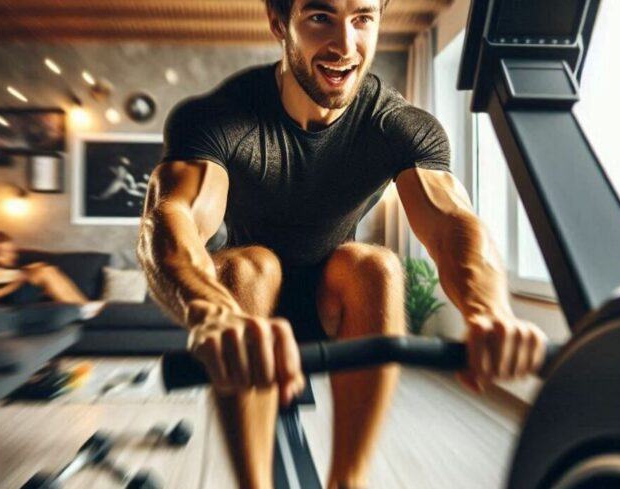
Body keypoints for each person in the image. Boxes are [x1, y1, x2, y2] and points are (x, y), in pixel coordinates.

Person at [137, 1, 548, 488]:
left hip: (336, 302)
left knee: (374, 265)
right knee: (251, 266)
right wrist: (211, 312)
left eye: (362, 18)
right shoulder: (222, 117)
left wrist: (490, 311)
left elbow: (451, 223)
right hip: (247, 308)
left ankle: (347, 482)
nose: (345, 45)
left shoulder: (398, 124)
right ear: (278, 24)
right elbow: (171, 218)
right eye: (319, 18)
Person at [0, 231, 104, 318]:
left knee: (48, 270)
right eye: (5, 252)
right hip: (9, 301)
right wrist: (13, 286)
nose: (12, 255)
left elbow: (11, 277)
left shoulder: (8, 266)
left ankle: (84, 306)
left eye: (12, 251)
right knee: (46, 272)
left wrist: (25, 270)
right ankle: (83, 307)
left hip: (19, 292)